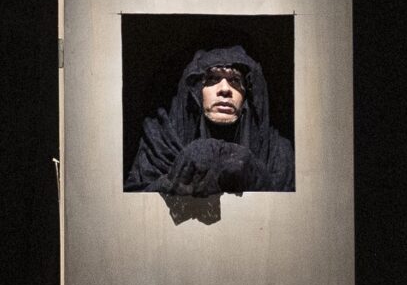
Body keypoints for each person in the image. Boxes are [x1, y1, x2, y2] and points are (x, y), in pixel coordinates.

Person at [125, 46, 295, 195]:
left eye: (235, 80)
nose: (225, 89)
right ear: (196, 90)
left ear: (247, 94)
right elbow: (136, 203)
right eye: (213, 79)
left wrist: (244, 164)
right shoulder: (162, 145)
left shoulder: (276, 151)